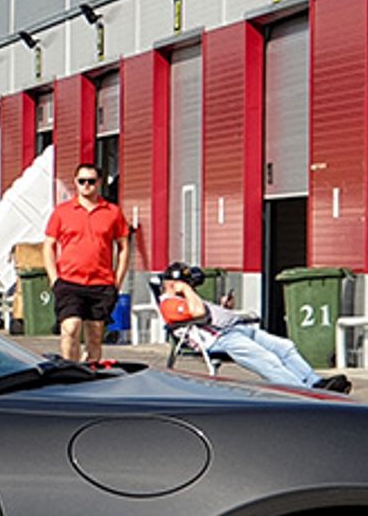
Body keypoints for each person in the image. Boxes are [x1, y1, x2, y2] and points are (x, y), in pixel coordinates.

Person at [157, 263, 351, 391]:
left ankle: (315, 382)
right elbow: (198, 313)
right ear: (173, 284)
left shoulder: (186, 298)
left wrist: (223, 307)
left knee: (284, 347)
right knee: (267, 359)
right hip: (222, 338)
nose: (192, 287)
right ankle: (301, 390)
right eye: (188, 283)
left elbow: (205, 313)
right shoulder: (169, 302)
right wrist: (185, 289)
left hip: (237, 328)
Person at [44, 164, 134, 364]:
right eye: (82, 181)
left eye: (91, 181)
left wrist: (116, 282)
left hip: (101, 283)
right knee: (70, 329)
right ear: (75, 182)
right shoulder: (62, 212)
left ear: (99, 183)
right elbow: (49, 246)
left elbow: (123, 247)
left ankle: (90, 373)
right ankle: (70, 371)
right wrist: (54, 279)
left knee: (94, 335)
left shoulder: (112, 212)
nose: (87, 185)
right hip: (69, 281)